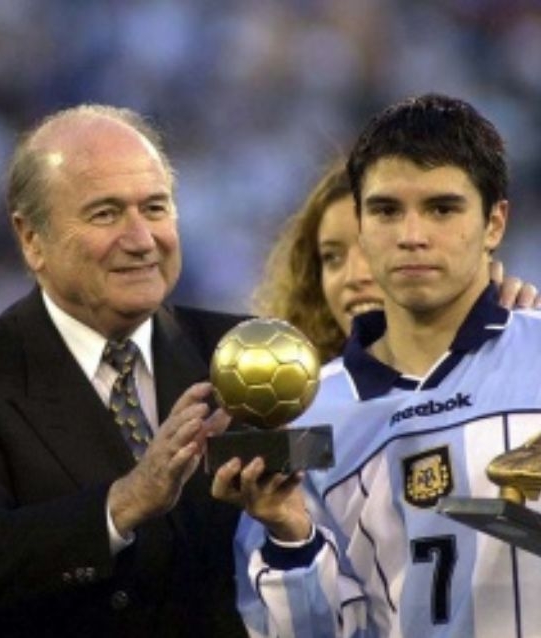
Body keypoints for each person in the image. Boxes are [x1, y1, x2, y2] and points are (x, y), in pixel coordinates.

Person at [0, 104, 248, 637]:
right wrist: (124, 503)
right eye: (105, 214)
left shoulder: (240, 359)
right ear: (32, 239)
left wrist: (293, 530)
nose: (141, 239)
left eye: (155, 208)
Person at [214, 93, 541, 637]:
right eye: (387, 211)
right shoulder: (309, 418)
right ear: (363, 226)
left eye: (442, 209)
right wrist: (290, 534)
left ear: (494, 223)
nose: (412, 236)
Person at [253, 161, 540, 362]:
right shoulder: (290, 406)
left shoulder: (520, 351)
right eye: (332, 257)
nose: (354, 277)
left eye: (370, 249)